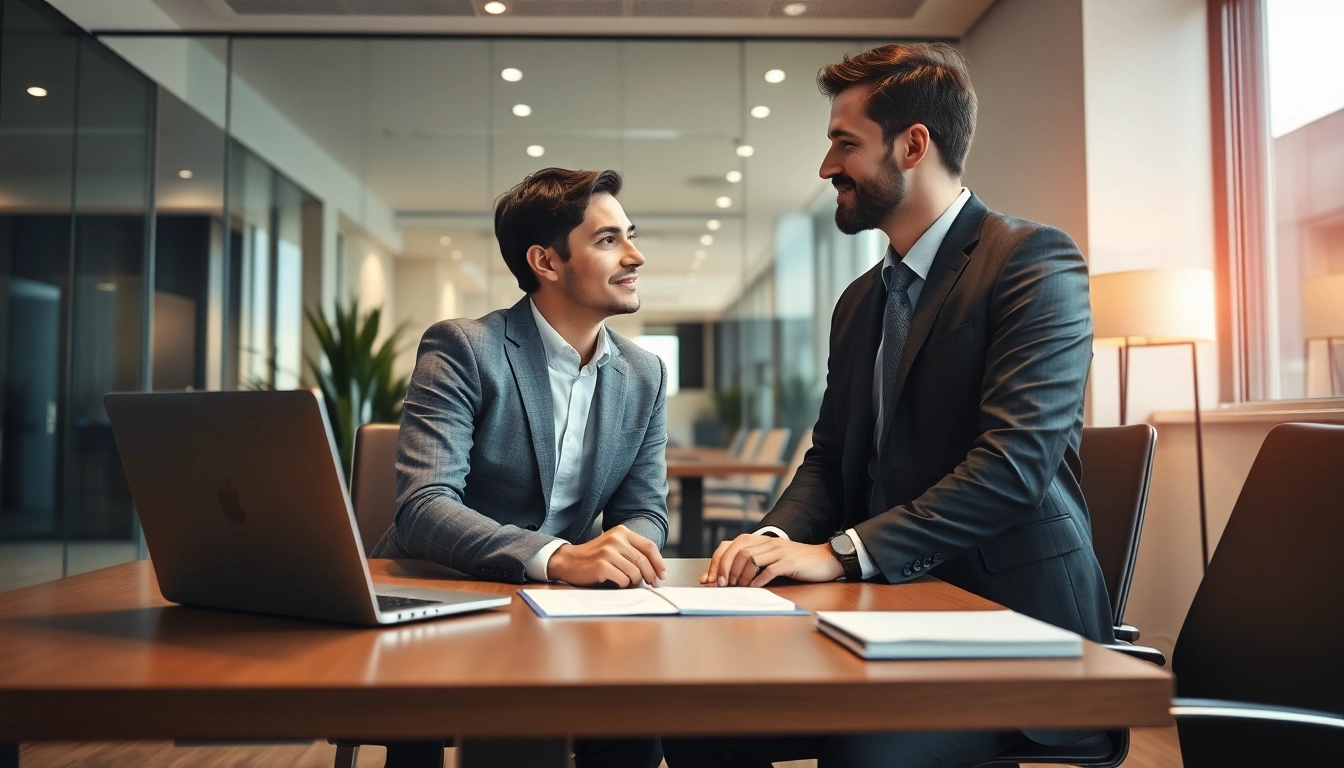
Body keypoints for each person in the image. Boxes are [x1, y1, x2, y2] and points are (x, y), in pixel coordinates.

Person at [663, 43, 1114, 768]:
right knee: (700, 717)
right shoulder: (861, 301)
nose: (826, 166)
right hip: (885, 618)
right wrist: (777, 544)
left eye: (844, 142)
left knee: (869, 751)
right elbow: (833, 458)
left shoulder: (1033, 261)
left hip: (1014, 633)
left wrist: (842, 553)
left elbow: (1014, 464)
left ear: (912, 145)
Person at [371, 167, 668, 768]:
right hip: (445, 593)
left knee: (638, 723)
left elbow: (644, 507)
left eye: (629, 235)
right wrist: (559, 556)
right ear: (546, 262)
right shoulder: (464, 347)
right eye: (608, 240)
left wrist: (627, 553)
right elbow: (423, 507)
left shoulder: (645, 373)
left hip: (568, 606)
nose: (635, 255)